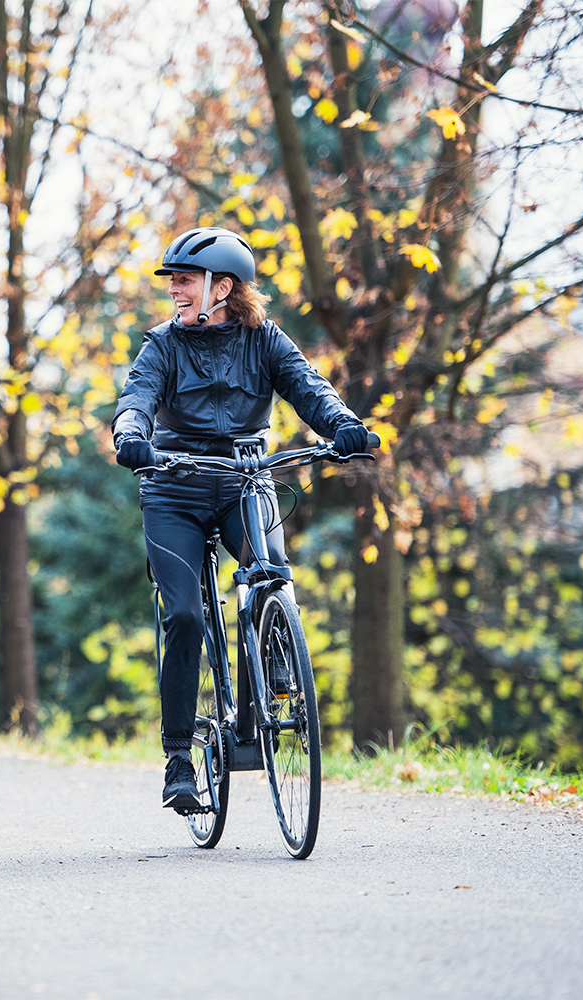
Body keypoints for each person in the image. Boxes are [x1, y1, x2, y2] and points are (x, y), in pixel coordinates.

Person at [111, 227, 371, 811]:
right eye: (173, 280)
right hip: (174, 490)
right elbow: (137, 397)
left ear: (221, 287)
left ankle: (278, 657)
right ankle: (179, 756)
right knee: (182, 614)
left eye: (184, 279)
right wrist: (131, 434)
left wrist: (343, 425)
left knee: (271, 570)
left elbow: (310, 389)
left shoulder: (266, 341)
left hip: (244, 482)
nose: (174, 289)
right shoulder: (162, 345)